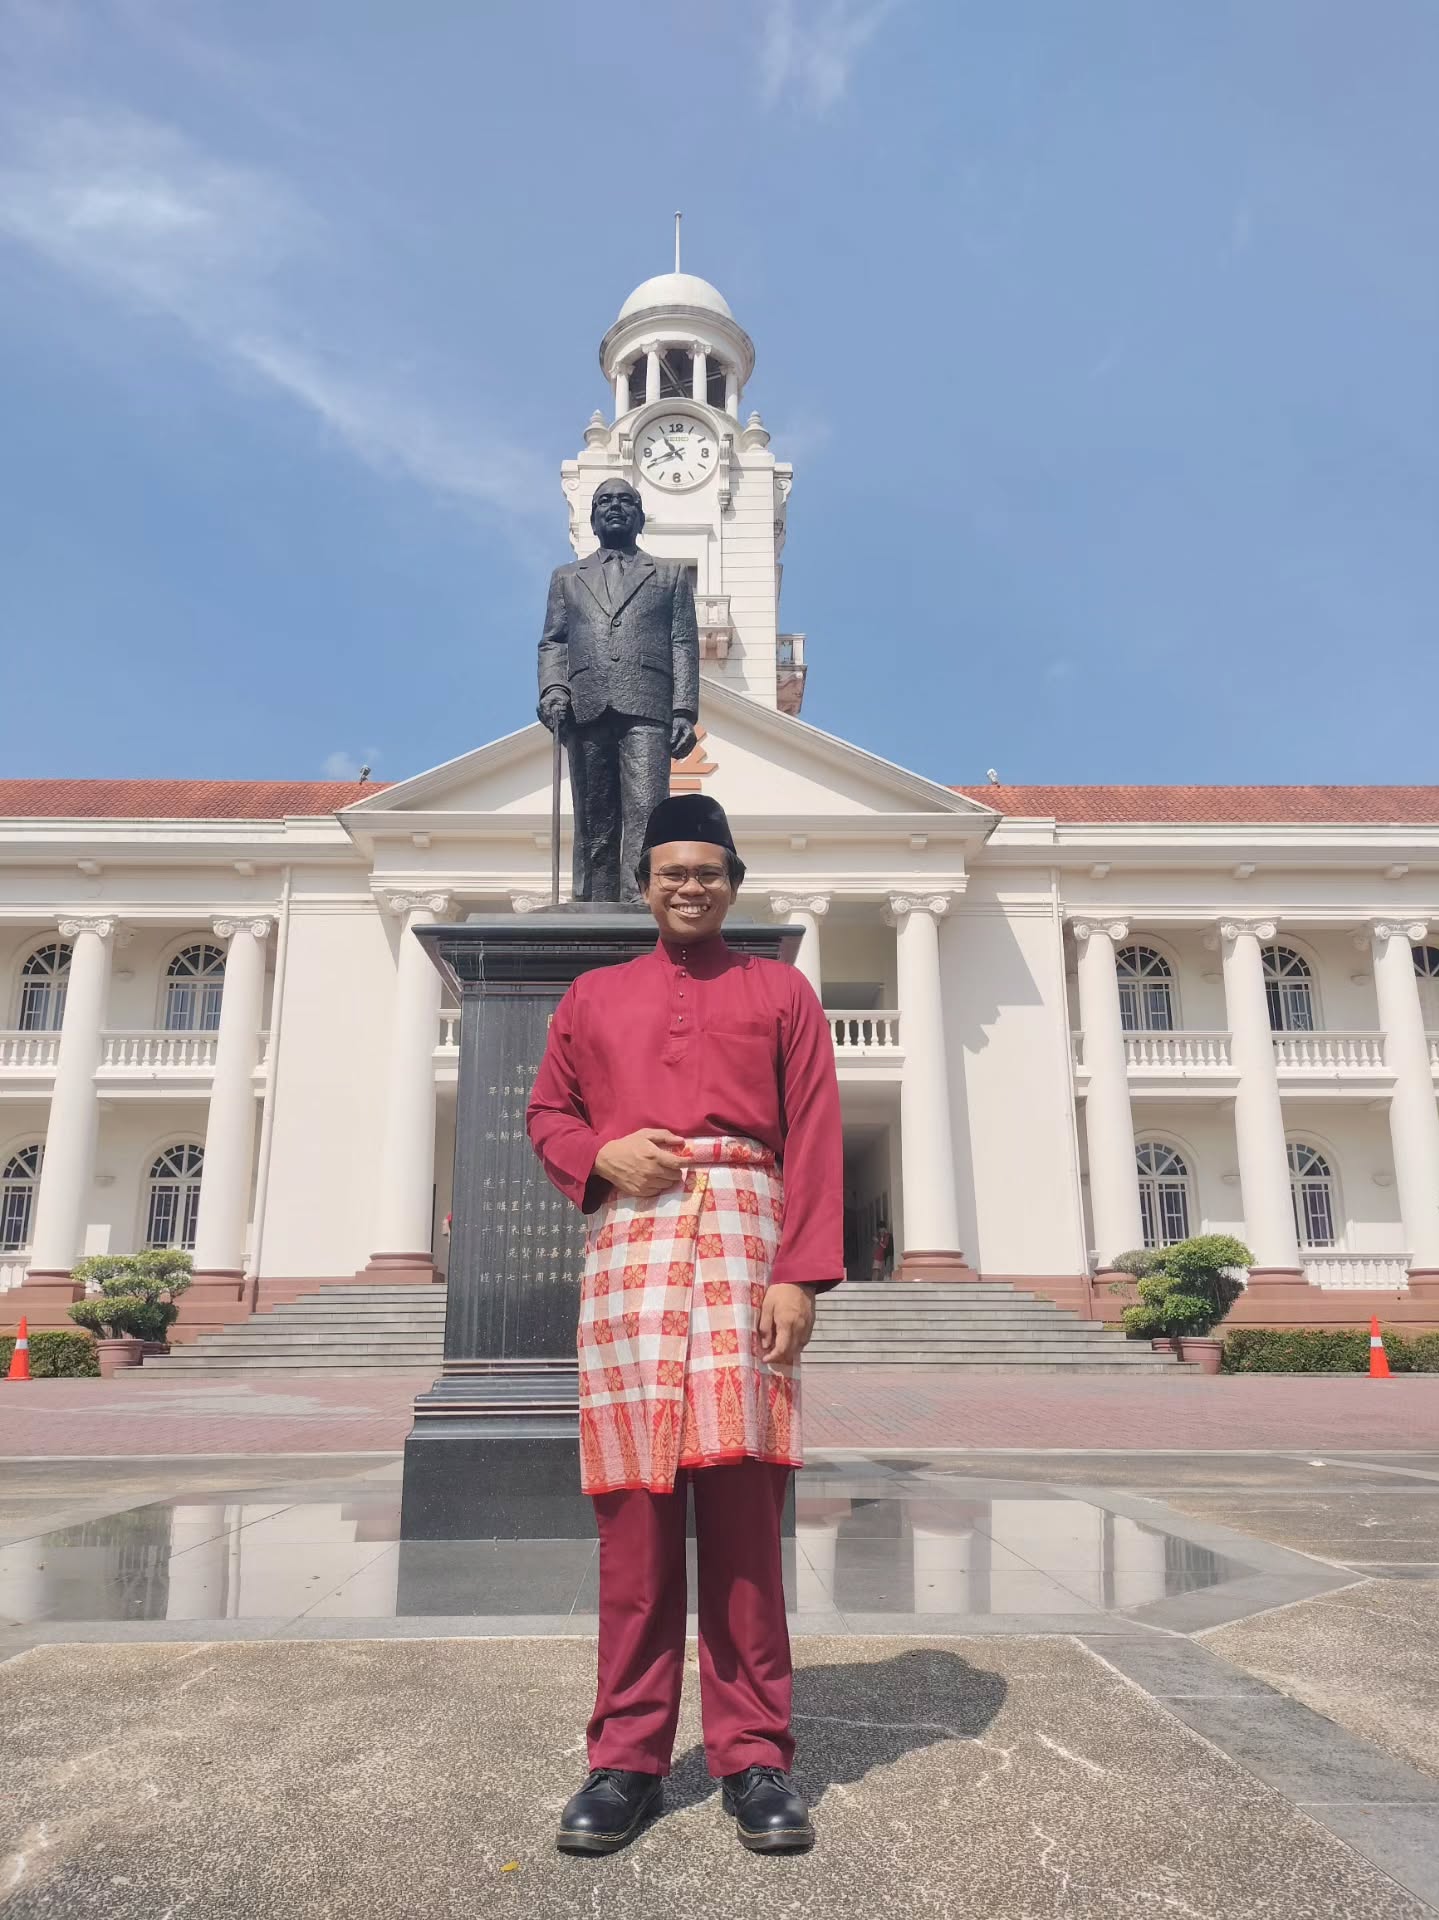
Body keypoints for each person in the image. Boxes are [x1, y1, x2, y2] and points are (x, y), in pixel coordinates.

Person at [526, 792, 843, 1856]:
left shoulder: (781, 992)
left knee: (746, 1521)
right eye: (672, 871)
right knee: (636, 1522)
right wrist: (599, 1154)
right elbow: (547, 1112)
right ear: (647, 885)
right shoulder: (593, 996)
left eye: (709, 870)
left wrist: (800, 1274)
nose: (691, 886)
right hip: (633, 1251)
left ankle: (754, 1755)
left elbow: (817, 1134)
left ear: (734, 883)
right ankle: (625, 1757)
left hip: (748, 1246)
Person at [536, 478, 699, 903]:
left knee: (647, 807)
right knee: (594, 813)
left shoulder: (670, 574)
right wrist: (553, 689)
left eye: (625, 501)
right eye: (604, 501)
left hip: (647, 703)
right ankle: (594, 900)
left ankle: (639, 898)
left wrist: (684, 710)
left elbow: (683, 642)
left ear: (640, 517)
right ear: (592, 519)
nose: (614, 507)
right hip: (585, 703)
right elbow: (554, 641)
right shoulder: (566, 577)